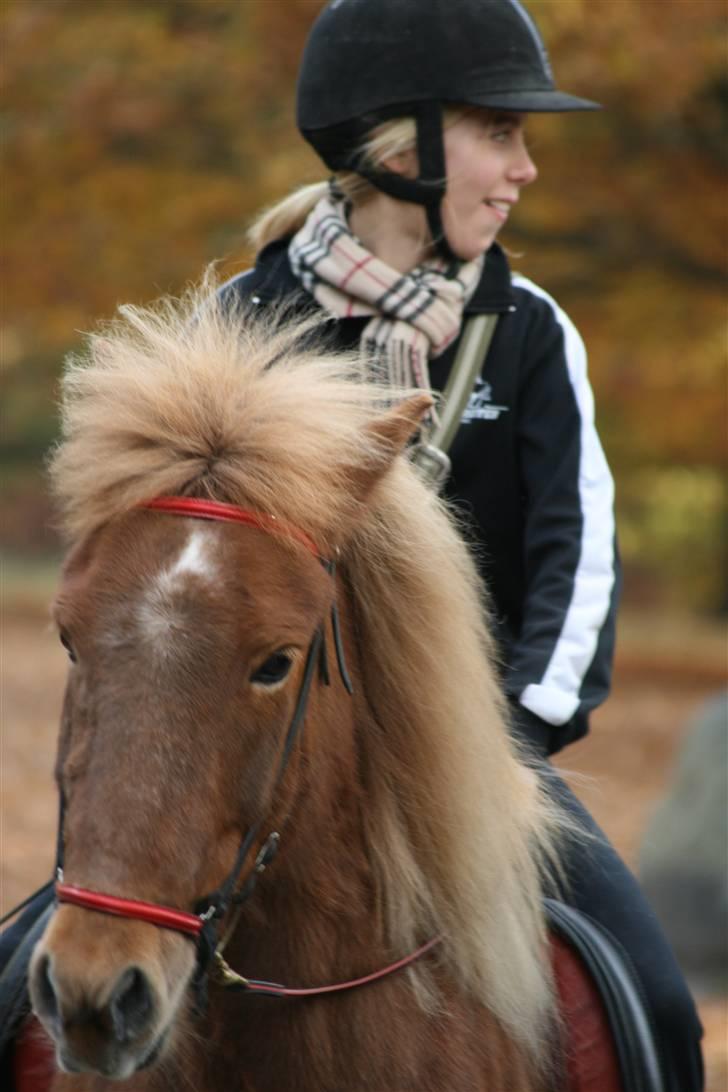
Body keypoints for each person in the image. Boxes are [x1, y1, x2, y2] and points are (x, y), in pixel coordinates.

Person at [218, 1, 705, 1089]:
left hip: (479, 757)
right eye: (499, 131)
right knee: (27, 980)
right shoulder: (239, 323)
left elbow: (573, 558)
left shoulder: (530, 328)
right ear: (401, 147)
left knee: (660, 1010)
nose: (523, 169)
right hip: (253, 752)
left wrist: (518, 737)